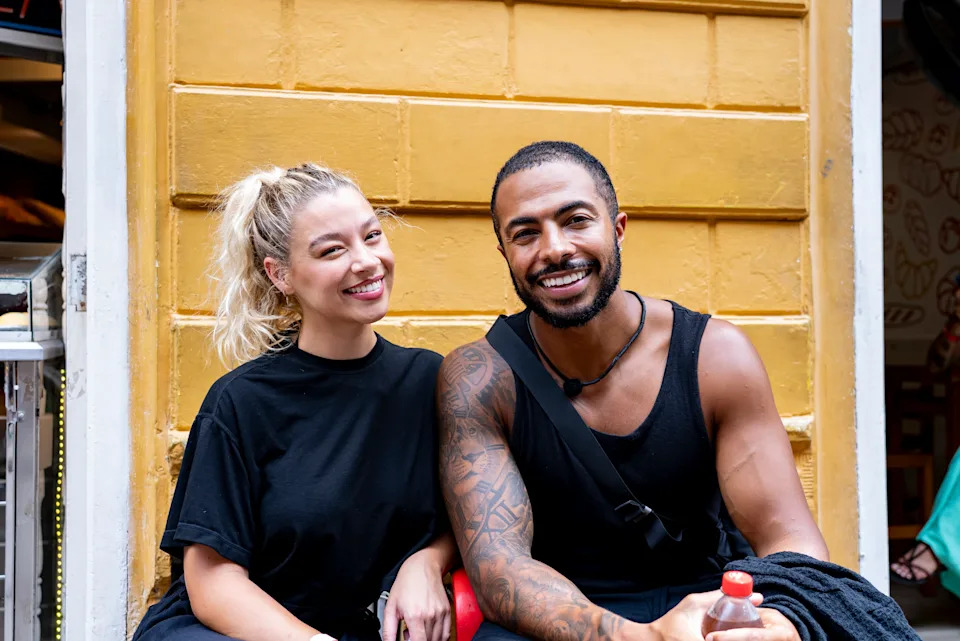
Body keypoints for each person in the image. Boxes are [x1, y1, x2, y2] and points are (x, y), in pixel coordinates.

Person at [437, 141, 829, 641]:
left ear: (618, 229)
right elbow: (501, 572)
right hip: (560, 618)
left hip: (707, 603)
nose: (554, 249)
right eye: (525, 233)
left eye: (576, 220)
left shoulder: (715, 355)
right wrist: (640, 638)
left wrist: (779, 623)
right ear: (505, 253)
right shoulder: (479, 378)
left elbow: (790, 540)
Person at [133, 164, 455, 641]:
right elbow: (211, 582)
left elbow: (473, 513)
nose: (366, 260)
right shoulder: (241, 403)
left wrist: (427, 562)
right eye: (332, 250)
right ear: (280, 274)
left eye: (372, 236)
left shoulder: (431, 380)